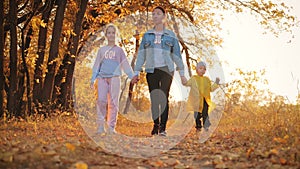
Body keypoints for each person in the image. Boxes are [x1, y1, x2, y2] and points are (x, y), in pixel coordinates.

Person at [134, 6, 187, 136]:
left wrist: (182, 74)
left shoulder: (171, 35)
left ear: (164, 17)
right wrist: (136, 72)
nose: (155, 16)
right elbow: (141, 55)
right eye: (153, 14)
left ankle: (163, 128)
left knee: (163, 97)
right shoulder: (147, 36)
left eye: (158, 14)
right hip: (151, 70)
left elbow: (177, 56)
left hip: (167, 70)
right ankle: (156, 125)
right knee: (154, 99)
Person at [90, 24, 138, 135]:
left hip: (115, 78)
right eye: (109, 33)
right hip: (102, 78)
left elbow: (125, 64)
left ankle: (111, 128)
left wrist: (132, 76)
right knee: (101, 101)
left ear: (116, 35)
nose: (111, 35)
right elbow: (97, 65)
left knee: (113, 103)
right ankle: (100, 127)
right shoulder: (102, 50)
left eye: (113, 33)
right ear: (106, 35)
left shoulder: (119, 51)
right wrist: (93, 79)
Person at [183, 61, 220, 131]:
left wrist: (216, 83)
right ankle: (198, 126)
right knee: (196, 114)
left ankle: (206, 126)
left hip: (204, 100)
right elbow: (187, 83)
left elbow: (211, 89)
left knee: (205, 113)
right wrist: (183, 78)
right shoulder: (193, 78)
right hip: (196, 101)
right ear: (196, 70)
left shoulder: (207, 79)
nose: (202, 70)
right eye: (200, 68)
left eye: (204, 69)